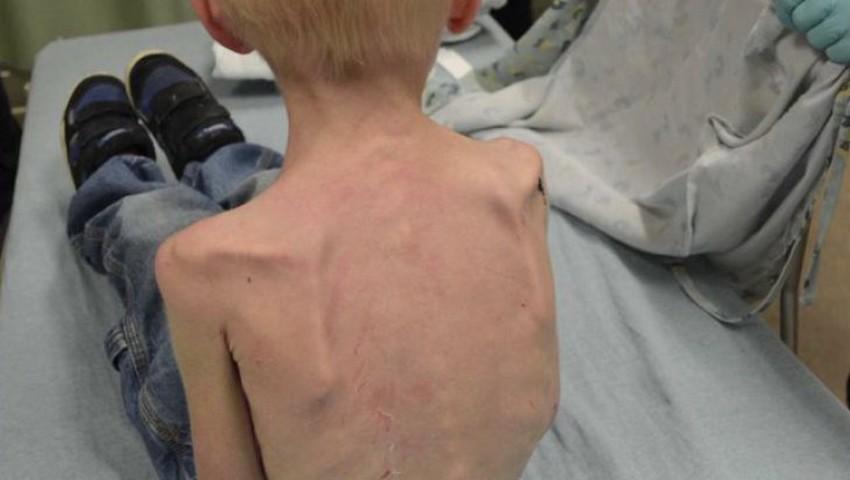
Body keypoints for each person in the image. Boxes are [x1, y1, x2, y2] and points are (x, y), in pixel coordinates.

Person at [62, 0, 559, 478]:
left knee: (152, 227)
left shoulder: (197, 266)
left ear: (217, 19)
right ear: (464, 6)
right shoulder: (518, 178)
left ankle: (119, 183)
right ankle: (220, 154)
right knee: (279, 198)